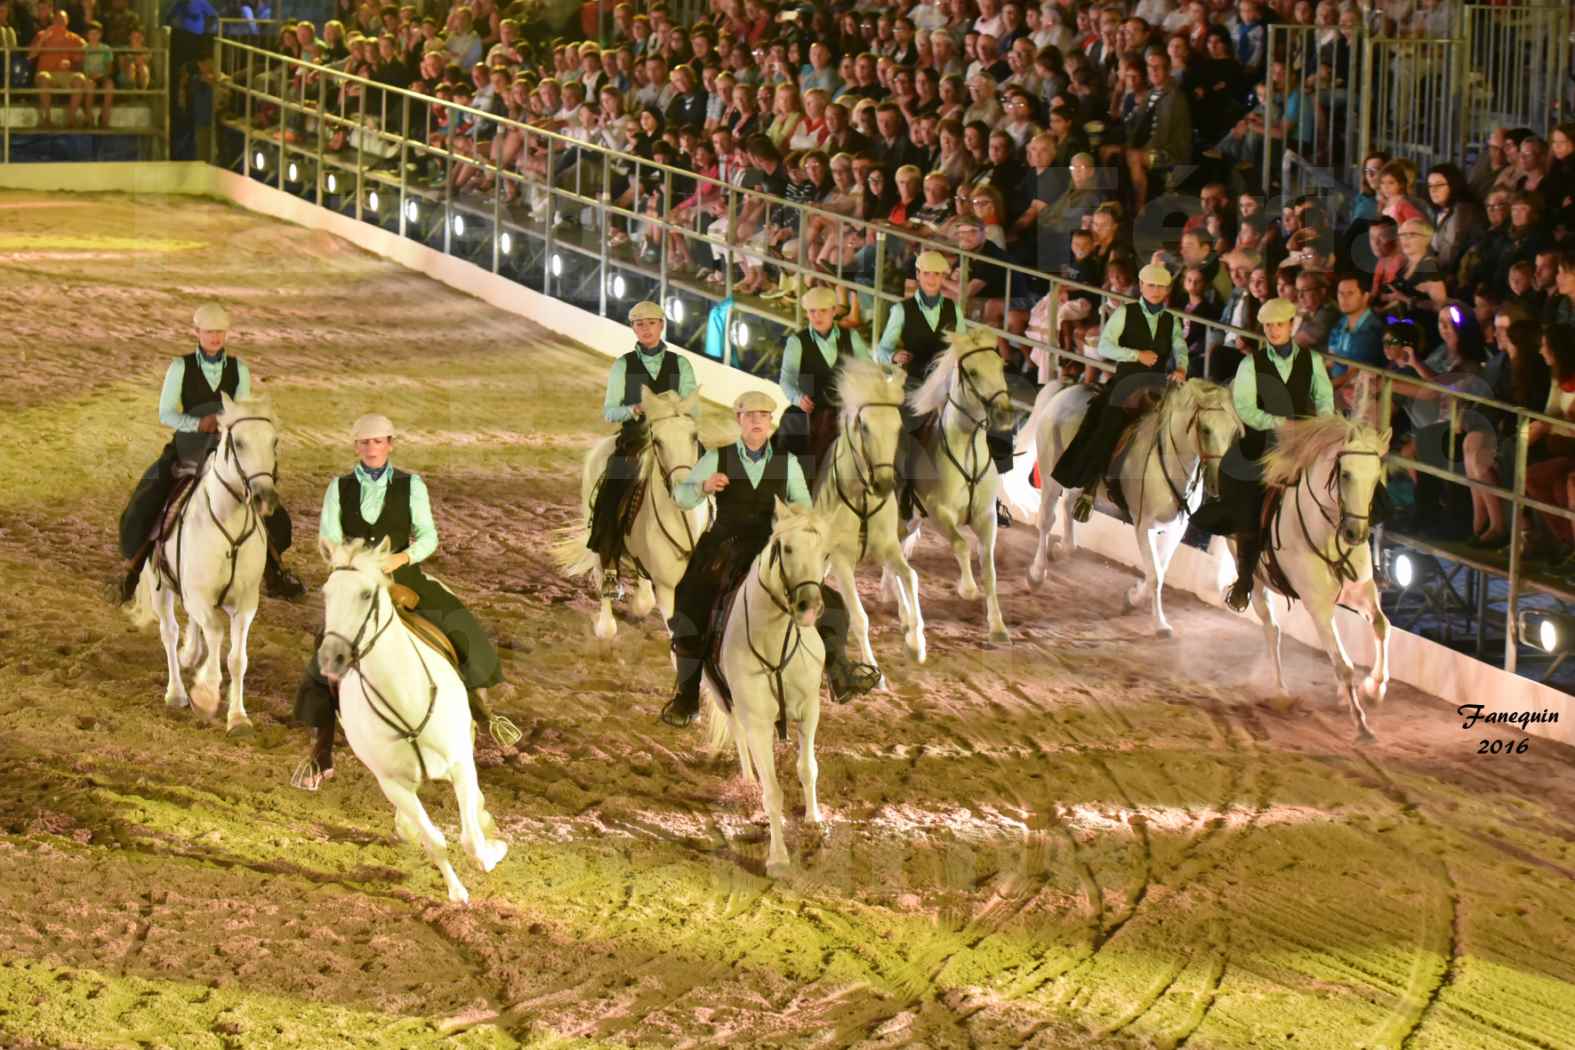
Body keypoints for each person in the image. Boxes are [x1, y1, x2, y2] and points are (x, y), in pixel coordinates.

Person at [292, 413, 510, 789]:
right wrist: (351, 563)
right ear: (356, 447)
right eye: (364, 442)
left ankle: (484, 710)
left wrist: (400, 559)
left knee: (459, 624)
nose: (371, 448)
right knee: (324, 650)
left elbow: (428, 537)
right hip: (358, 579)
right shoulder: (338, 487)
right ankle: (321, 751)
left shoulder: (413, 485)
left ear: (390, 444)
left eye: (378, 442)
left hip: (402, 575)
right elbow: (329, 537)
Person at [660, 391, 878, 728]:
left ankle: (839, 671)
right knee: (690, 600)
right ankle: (687, 696)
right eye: (750, 415)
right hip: (724, 546)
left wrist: (800, 520)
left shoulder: (787, 464)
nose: (757, 421)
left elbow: (803, 505)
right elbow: (681, 496)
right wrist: (703, 485)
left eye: (763, 415)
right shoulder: (717, 457)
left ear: (770, 421)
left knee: (829, 601)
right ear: (739, 419)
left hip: (770, 546)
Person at [116, 302, 302, 604]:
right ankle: (133, 568)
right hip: (190, 443)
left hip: (226, 444)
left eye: (220, 333)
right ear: (197, 333)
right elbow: (166, 413)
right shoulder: (180, 367)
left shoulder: (239, 368)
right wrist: (196, 423)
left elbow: (240, 412)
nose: (215, 338)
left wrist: (228, 430)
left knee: (259, 493)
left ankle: (274, 569)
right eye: (209, 332)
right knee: (152, 495)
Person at [1195, 297, 1335, 611]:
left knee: (1350, 473)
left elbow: (1324, 398)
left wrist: (1320, 428)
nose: (1273, 330)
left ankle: (1361, 550)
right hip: (1264, 438)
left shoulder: (1310, 361)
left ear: (1291, 325)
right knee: (1242, 481)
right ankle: (1245, 577)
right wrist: (1275, 423)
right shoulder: (1250, 364)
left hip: (1303, 437)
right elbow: (1245, 406)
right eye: (1268, 325)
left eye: (1279, 324)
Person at [1052, 264, 1190, 523]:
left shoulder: (1171, 320)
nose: (1156, 291)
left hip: (1156, 385)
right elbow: (1105, 345)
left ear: (1168, 289)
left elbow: (1180, 347)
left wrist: (1182, 368)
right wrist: (1136, 355)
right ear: (1141, 285)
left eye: (1161, 287)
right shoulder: (1125, 313)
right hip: (1126, 381)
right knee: (1109, 427)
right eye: (1151, 286)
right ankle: (1089, 487)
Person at [586, 300, 699, 599]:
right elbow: (610, 411)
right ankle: (609, 563)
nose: (645, 329)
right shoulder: (623, 365)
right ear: (633, 329)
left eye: (651, 323)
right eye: (639, 324)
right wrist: (633, 408)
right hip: (635, 440)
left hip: (672, 438)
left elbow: (693, 408)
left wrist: (676, 412)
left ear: (662, 326)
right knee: (611, 494)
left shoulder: (682, 364)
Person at [777, 285, 871, 485]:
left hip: (844, 406)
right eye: (812, 312)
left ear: (834, 311)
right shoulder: (797, 341)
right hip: (809, 406)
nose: (817, 316)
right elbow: (787, 378)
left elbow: (868, 369)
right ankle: (784, 485)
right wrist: (798, 398)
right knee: (789, 429)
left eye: (823, 311)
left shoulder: (850, 337)